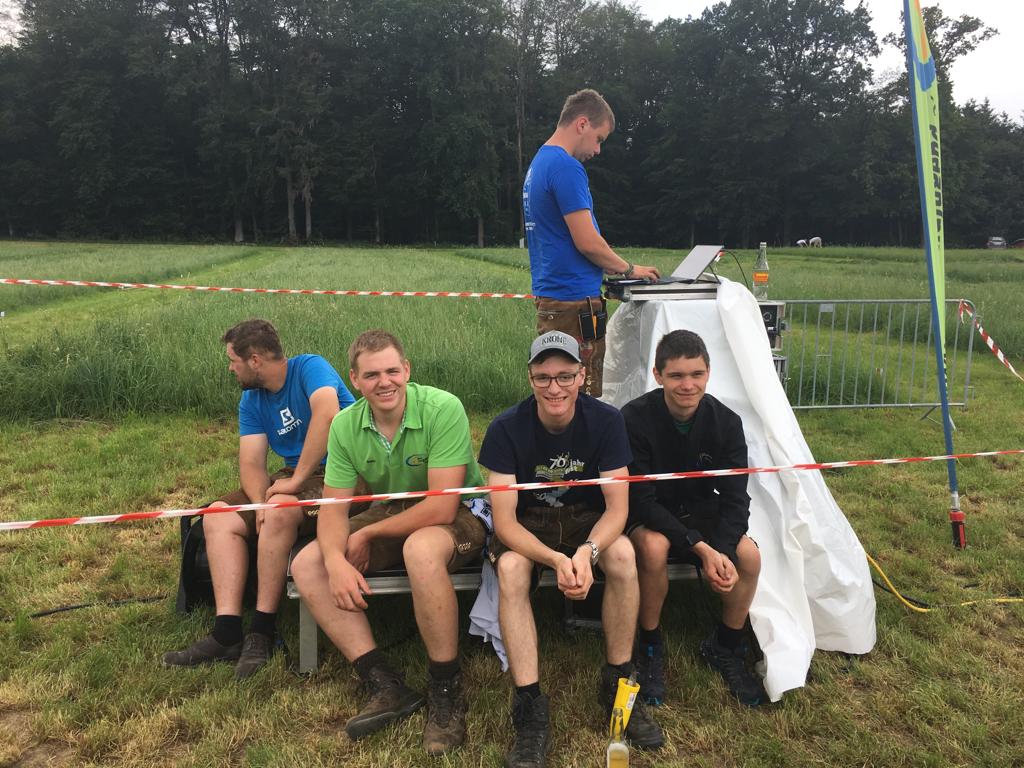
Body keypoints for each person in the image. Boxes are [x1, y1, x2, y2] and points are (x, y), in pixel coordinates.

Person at [289, 330, 487, 756]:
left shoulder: (443, 408)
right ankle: (383, 681)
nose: (385, 382)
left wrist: (367, 533)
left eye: (392, 371)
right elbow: (333, 510)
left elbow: (441, 507)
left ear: (407, 370)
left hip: (461, 510)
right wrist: (334, 561)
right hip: (394, 509)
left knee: (421, 550)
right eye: (372, 375)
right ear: (354, 379)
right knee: (308, 564)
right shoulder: (345, 425)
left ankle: (446, 687)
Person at [478, 331, 664, 767]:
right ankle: (529, 706)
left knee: (623, 555)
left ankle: (618, 683)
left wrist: (586, 552)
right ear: (530, 379)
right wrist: (556, 560)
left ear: (583, 377)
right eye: (543, 377)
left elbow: (618, 508)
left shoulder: (607, 421)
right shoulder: (505, 428)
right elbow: (504, 521)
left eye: (565, 376)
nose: (555, 387)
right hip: (529, 522)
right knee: (511, 570)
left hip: (587, 517)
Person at [163, 319, 354, 678]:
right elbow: (251, 462)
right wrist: (258, 503)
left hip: (342, 474)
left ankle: (262, 631)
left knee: (280, 511)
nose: (230, 368)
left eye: (232, 361)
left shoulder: (310, 367)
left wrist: (295, 482)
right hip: (292, 477)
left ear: (254, 360)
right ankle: (227, 632)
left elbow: (327, 414)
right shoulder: (251, 399)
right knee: (218, 516)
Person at [621, 330, 765, 707]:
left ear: (708, 373)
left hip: (701, 509)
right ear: (658, 375)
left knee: (749, 556)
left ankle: (725, 645)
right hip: (652, 512)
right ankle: (650, 644)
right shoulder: (633, 418)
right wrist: (701, 548)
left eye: (697, 374)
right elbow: (641, 500)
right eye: (676, 376)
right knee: (653, 547)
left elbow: (736, 497)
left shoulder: (727, 422)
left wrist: (723, 550)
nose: (688, 385)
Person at [523, 88, 661, 398]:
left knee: (556, 393)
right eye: (599, 139)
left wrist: (610, 264)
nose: (597, 150)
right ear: (582, 123)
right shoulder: (566, 167)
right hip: (574, 305)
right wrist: (629, 269)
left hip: (555, 300)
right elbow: (587, 242)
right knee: (577, 397)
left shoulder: (539, 162)